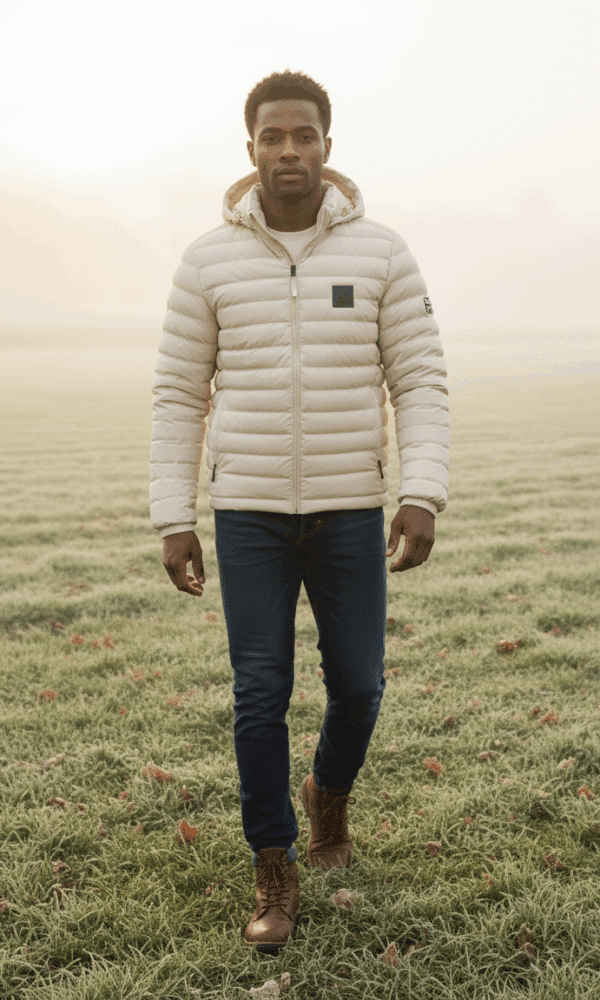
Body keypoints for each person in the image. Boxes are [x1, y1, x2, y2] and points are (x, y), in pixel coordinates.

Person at [150, 69, 449, 953]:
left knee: (360, 686)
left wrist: (421, 493)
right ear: (251, 150)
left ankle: (328, 794)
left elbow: (421, 378)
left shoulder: (383, 253)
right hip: (248, 515)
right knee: (260, 695)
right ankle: (273, 863)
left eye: (304, 136)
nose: (289, 151)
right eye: (272, 137)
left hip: (352, 510)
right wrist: (175, 516)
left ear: (327, 144)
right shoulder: (208, 260)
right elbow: (176, 392)